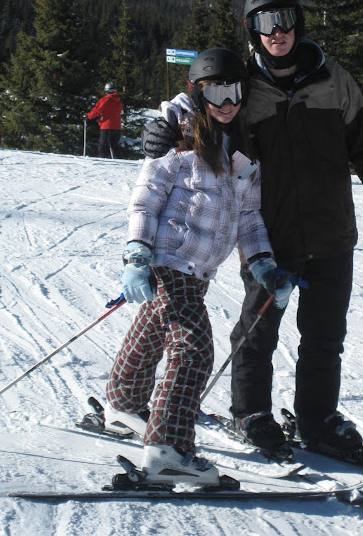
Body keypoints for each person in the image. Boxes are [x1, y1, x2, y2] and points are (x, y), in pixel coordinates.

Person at [141, 0, 363, 460]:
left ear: (299, 23)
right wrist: (164, 124)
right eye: (266, 23)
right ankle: (250, 412)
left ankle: (316, 420)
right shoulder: (245, 86)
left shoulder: (336, 81)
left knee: (325, 334)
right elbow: (199, 99)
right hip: (271, 234)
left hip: (333, 229)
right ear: (252, 30)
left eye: (285, 20)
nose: (278, 33)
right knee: (258, 328)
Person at [103, 48, 294, 487]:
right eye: (216, 92)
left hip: (197, 272)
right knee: (193, 348)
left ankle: (124, 401)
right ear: (198, 92)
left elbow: (248, 218)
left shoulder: (241, 152)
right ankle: (169, 448)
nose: (227, 103)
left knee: (154, 326)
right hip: (169, 261)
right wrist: (136, 255)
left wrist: (264, 265)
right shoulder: (178, 138)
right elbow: (146, 196)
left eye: (235, 91)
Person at [87, 82, 123, 158]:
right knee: (114, 145)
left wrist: (88, 116)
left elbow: (97, 110)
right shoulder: (118, 101)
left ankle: (104, 161)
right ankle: (119, 160)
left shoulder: (105, 100)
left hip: (107, 126)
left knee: (103, 145)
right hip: (117, 126)